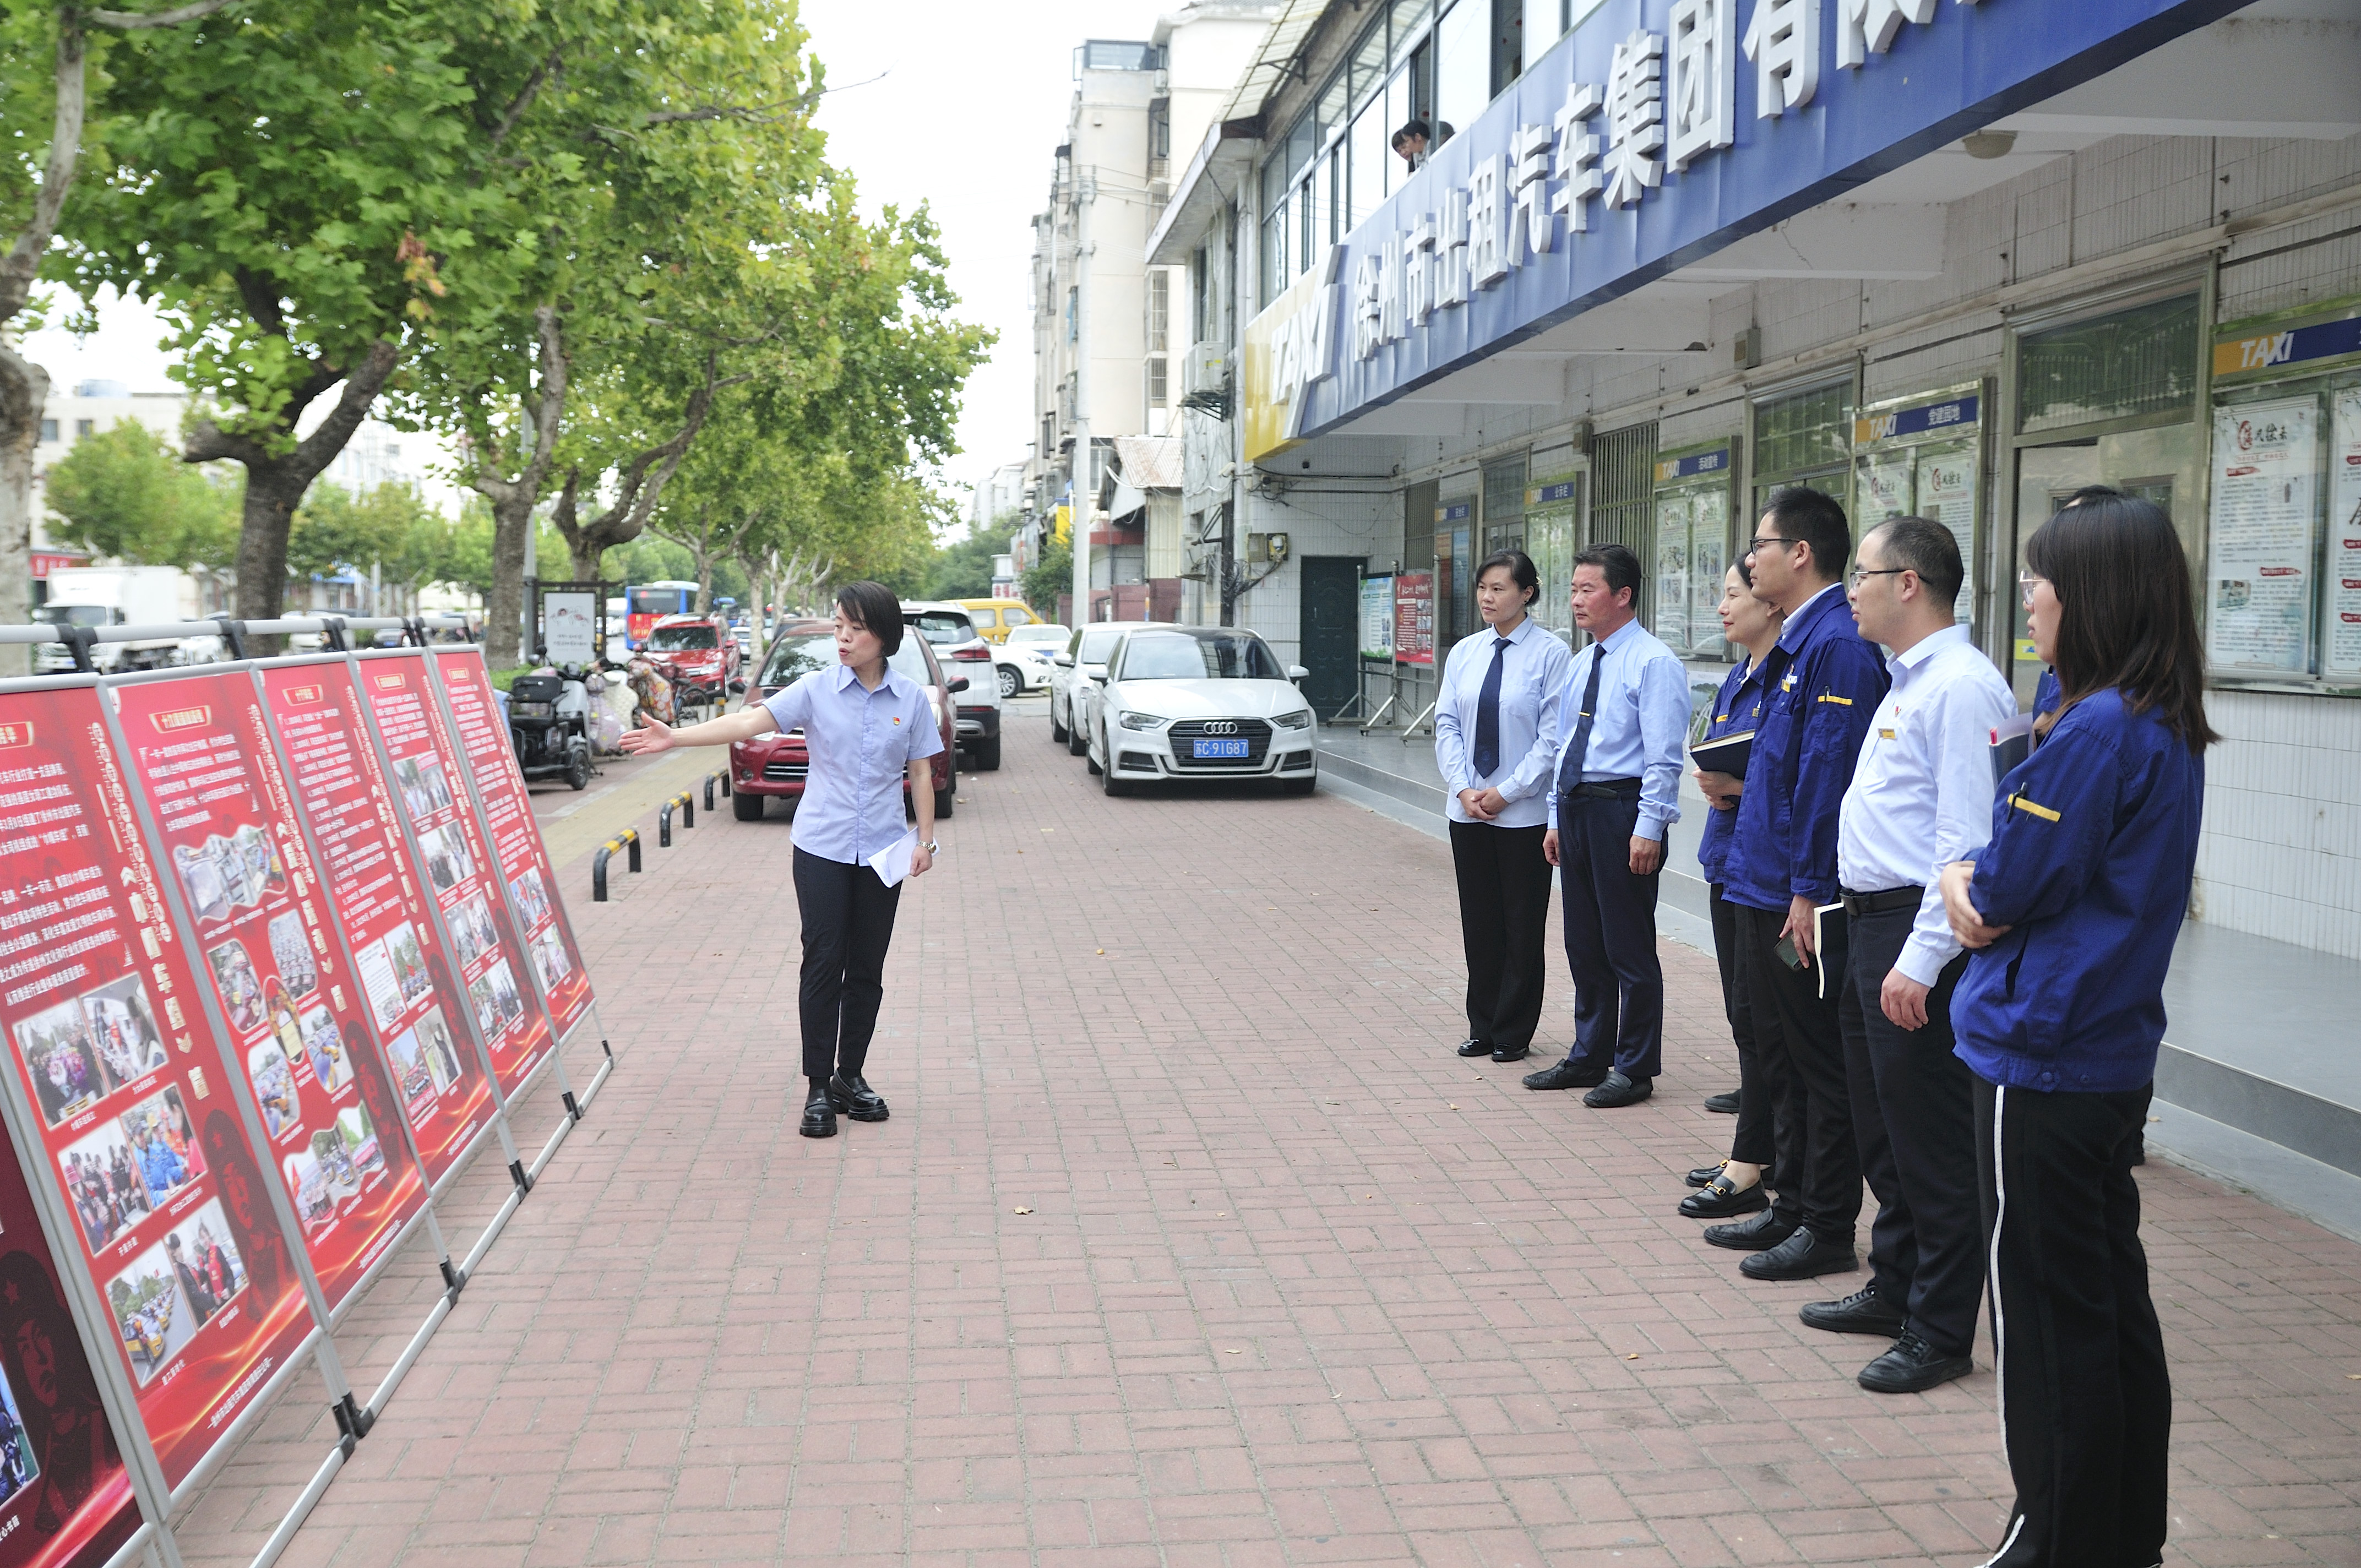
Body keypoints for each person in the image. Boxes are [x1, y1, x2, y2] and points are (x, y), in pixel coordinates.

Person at [1938, 493, 2210, 1568]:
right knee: (2104, 1304)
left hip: (2039, 1057)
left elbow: (1997, 890)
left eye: (2040, 581)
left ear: (2088, 595)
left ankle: (2051, 1538)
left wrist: (1961, 873)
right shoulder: (2149, 713)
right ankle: (2115, 1532)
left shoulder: (2096, 730)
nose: (2028, 601)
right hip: (2100, 1053)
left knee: (2044, 1322)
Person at [1804, 517, 2016, 1394]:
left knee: (1929, 1139)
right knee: (1884, 1127)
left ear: (1909, 584)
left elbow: (1965, 844)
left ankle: (1938, 1326)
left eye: (1861, 575)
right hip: (1869, 921)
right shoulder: (1908, 681)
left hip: (1915, 933)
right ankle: (1895, 1285)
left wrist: (1922, 960)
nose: (1849, 590)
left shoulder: (1961, 687)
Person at [622, 581, 941, 1139]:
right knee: (823, 961)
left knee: (866, 969)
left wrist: (925, 840)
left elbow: (919, 771)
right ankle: (818, 1086)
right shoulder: (816, 689)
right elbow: (749, 723)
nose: (842, 636)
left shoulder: (911, 698)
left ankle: (850, 1076)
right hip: (822, 845)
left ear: (883, 636)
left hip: (885, 851)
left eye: (855, 627)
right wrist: (677, 738)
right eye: (839, 624)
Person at [1707, 487, 1889, 1281]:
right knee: (1776, 1054)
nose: (1752, 561)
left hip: (1797, 900)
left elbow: (1826, 779)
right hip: (1762, 885)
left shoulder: (1838, 647)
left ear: (1801, 554)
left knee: (1817, 1064)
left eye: (1762, 546)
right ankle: (1789, 1203)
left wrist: (1809, 890)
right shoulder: (1796, 647)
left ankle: (1825, 1224)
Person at [1523, 544, 1687, 1108]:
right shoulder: (1582, 661)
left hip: (1622, 811)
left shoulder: (1653, 662)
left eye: (1587, 589)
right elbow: (1568, 743)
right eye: (1572, 589)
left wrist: (1650, 825)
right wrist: (1552, 814)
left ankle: (1634, 1065)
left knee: (1628, 945)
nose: (1575, 600)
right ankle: (1589, 1052)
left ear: (1623, 595)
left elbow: (1664, 757)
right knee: (1584, 943)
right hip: (1575, 809)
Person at [1679, 562, 1788, 1221]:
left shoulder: (1789, 677)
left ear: (1771, 604)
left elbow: (1795, 777)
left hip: (1770, 874)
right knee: (1744, 1014)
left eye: (1732, 594)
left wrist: (1740, 789)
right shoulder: (1738, 676)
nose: (1722, 607)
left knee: (1764, 1019)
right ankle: (1756, 1147)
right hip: (1730, 862)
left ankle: (1754, 1159)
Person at [1434, 551, 1572, 1065]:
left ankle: (1514, 1030)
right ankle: (1482, 1024)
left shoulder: (1552, 655)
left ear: (1528, 593)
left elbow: (1552, 737)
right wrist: (1466, 787)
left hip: (1523, 815)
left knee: (1521, 922)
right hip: (1467, 810)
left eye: (1500, 589)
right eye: (1483, 589)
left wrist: (1507, 791)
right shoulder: (1465, 652)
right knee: (1480, 922)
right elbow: (1446, 723)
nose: (1489, 599)